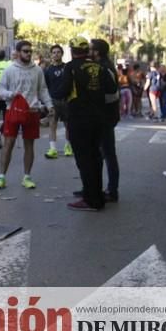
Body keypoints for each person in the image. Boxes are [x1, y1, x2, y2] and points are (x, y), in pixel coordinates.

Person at [55, 36, 117, 211]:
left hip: (79, 119)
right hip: (99, 119)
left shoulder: (71, 67)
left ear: (72, 51)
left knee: (84, 160)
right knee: (96, 158)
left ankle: (90, 199)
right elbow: (112, 90)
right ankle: (97, 196)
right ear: (86, 51)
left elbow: (62, 91)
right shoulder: (100, 67)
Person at [0, 40, 52, 191]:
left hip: (32, 111)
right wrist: (11, 94)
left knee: (29, 144)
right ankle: (1, 177)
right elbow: (0, 90)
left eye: (30, 51)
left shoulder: (37, 70)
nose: (28, 53)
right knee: (9, 143)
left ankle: (27, 177)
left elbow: (43, 90)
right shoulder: (10, 69)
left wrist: (50, 106)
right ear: (18, 52)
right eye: (25, 51)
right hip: (12, 111)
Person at [90, 39, 121, 203]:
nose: (88, 51)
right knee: (99, 154)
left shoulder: (105, 68)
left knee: (108, 154)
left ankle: (112, 190)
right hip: (103, 117)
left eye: (90, 49)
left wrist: (96, 100)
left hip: (105, 118)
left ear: (97, 52)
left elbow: (113, 94)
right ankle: (93, 187)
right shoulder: (101, 66)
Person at [43, 44, 72, 159]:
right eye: (54, 52)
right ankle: (53, 149)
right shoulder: (48, 70)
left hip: (66, 100)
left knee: (68, 126)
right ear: (51, 55)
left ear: (62, 54)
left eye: (58, 52)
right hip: (53, 101)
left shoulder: (67, 68)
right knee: (52, 125)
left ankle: (68, 147)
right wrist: (46, 102)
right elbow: (45, 87)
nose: (56, 54)